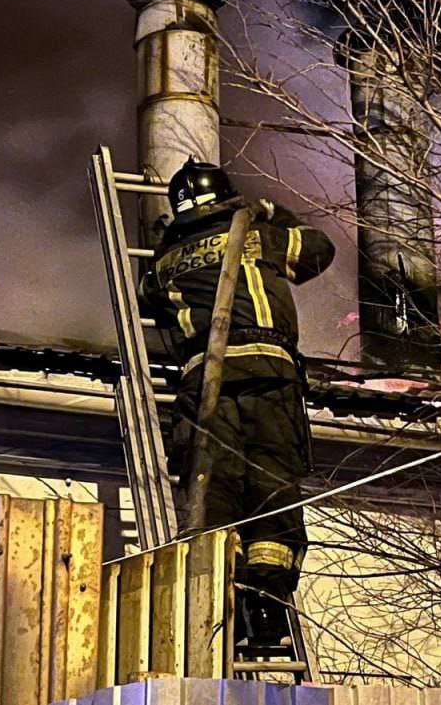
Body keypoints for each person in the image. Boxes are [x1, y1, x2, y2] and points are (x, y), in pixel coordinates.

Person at [139, 158, 334, 646]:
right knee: (271, 487)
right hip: (269, 376)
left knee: (215, 493)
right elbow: (317, 251)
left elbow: (147, 300)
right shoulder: (254, 233)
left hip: (202, 386)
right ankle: (266, 610)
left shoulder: (161, 264)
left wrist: (170, 243)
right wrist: (274, 211)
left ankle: (216, 611)